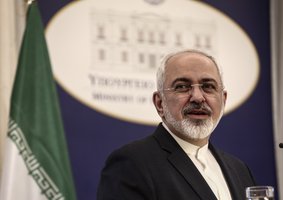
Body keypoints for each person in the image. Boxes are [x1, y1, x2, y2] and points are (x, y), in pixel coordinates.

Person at [97, 49, 256, 200]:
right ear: (160, 103)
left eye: (208, 86)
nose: (198, 97)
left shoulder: (239, 169)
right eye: (182, 86)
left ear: (224, 100)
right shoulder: (131, 164)